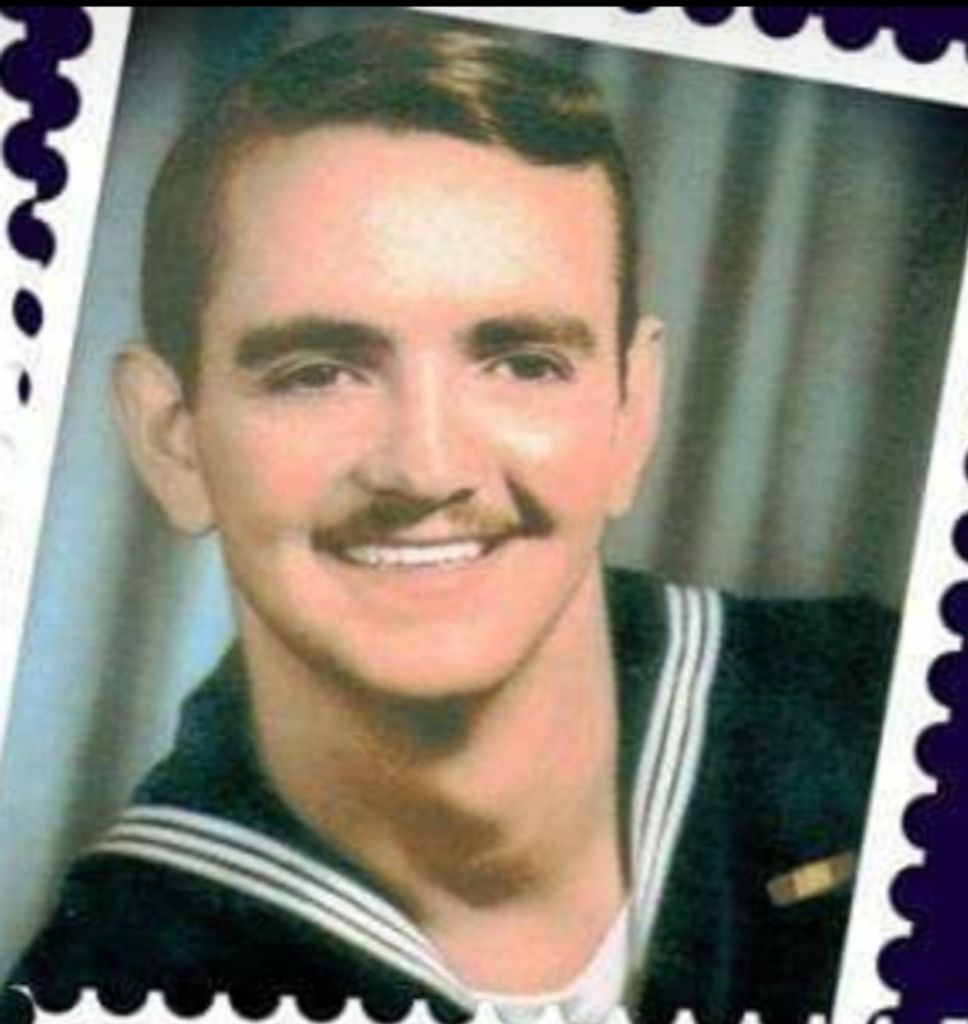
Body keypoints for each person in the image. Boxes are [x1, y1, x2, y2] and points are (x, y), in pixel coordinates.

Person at [8, 25, 895, 1024]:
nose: (426, 468)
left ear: (631, 410)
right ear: (174, 443)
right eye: (318, 372)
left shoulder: (884, 717)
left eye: (522, 363)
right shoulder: (107, 982)